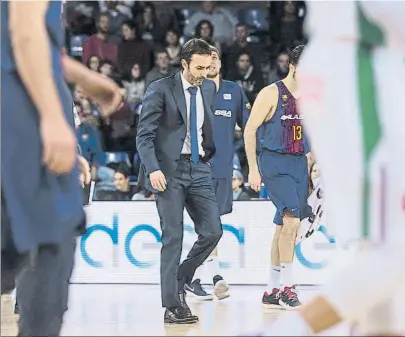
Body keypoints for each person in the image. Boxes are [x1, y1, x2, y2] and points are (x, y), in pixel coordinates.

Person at [257, 2, 405, 336]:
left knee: (383, 264)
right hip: (358, 62)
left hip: (364, 60)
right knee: (394, 249)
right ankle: (283, 331)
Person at [1, 1, 122, 335]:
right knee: (48, 260)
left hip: (19, 128)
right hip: (20, 126)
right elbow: (25, 35)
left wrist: (84, 78)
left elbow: (26, 41)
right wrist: (53, 122)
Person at [136, 38, 223, 324]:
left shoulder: (209, 87)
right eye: (198, 67)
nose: (203, 73)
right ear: (184, 63)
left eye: (208, 67)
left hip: (198, 167)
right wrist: (152, 169)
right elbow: (144, 135)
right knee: (173, 237)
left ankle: (182, 278)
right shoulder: (159, 89)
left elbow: (205, 125)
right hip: (167, 172)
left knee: (213, 231)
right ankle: (172, 305)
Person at [244, 45, 312, 310]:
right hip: (274, 161)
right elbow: (250, 130)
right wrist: (252, 168)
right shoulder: (271, 93)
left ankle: (271, 290)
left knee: (284, 227)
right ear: (292, 66)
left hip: (298, 163)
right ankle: (288, 288)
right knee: (292, 222)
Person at [184, 46, 250, 301]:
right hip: (198, 167)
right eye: (206, 57)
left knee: (214, 227)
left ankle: (194, 277)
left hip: (223, 169)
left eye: (215, 57)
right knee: (207, 225)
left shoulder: (234, 90)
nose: (210, 61)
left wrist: (251, 164)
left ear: (220, 63)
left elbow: (250, 127)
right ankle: (213, 274)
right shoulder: (193, 90)